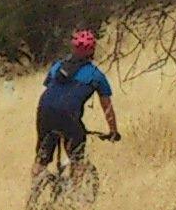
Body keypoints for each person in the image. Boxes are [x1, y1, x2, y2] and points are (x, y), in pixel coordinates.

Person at [36, 30, 121, 173]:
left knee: (41, 159)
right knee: (77, 157)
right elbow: (107, 108)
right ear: (92, 51)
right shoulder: (96, 75)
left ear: (73, 48)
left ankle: (36, 182)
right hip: (68, 116)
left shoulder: (57, 66)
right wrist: (113, 131)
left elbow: (48, 89)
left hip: (44, 111)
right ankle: (77, 185)